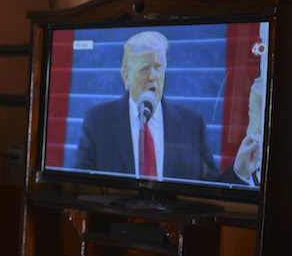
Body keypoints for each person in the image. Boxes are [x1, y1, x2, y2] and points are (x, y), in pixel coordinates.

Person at [74, 31, 262, 184]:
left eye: (158, 67)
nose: (153, 76)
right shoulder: (99, 121)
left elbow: (210, 189)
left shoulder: (191, 123)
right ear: (125, 76)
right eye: (144, 69)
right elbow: (80, 184)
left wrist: (239, 171)